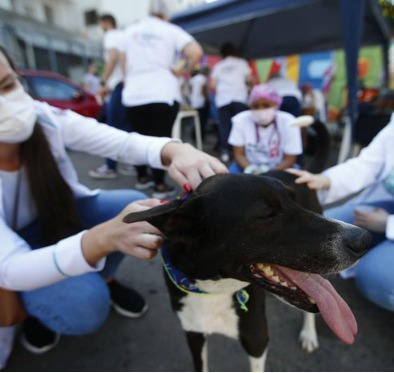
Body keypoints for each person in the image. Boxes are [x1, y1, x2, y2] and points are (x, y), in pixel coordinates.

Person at [0, 45, 227, 367]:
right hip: (13, 257)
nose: (6, 104)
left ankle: (102, 278)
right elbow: (9, 267)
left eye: (8, 85)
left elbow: (122, 142)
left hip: (55, 222)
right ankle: (41, 310)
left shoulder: (45, 119)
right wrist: (102, 239)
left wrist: (175, 150)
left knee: (129, 206)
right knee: (86, 306)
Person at [289, 116, 394, 312]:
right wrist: (324, 179)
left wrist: (388, 224)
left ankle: (378, 257)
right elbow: (368, 164)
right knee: (326, 227)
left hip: (388, 217)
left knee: (375, 277)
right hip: (388, 202)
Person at [119, 0, 203, 199]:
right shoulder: (171, 30)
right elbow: (195, 52)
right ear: (166, 14)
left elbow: (123, 62)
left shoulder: (129, 31)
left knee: (136, 137)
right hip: (162, 91)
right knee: (161, 139)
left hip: (134, 93)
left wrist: (128, 80)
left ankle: (141, 178)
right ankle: (159, 185)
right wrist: (183, 70)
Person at [89, 14, 133, 180]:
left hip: (118, 86)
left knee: (111, 128)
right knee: (126, 126)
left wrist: (103, 82)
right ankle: (133, 163)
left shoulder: (111, 36)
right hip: (124, 86)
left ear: (106, 23)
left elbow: (113, 58)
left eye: (101, 24)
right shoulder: (123, 36)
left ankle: (110, 166)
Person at [227, 84, 302, 174]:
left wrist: (270, 174)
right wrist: (251, 170)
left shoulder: (289, 122)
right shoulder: (240, 120)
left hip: (280, 168)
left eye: (266, 105)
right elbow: (238, 154)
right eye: (256, 106)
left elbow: (290, 159)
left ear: (275, 104)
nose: (261, 110)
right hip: (247, 167)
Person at [210, 42, 253, 163]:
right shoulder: (242, 63)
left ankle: (225, 152)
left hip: (223, 99)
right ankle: (241, 153)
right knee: (241, 126)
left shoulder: (218, 66)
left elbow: (213, 84)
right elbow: (249, 80)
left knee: (224, 126)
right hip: (240, 97)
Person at [188, 66, 210, 141]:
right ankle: (200, 137)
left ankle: (193, 136)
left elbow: (191, 90)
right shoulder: (202, 78)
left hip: (193, 102)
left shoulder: (193, 79)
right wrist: (208, 99)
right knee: (202, 121)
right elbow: (203, 90)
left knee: (194, 120)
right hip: (201, 102)